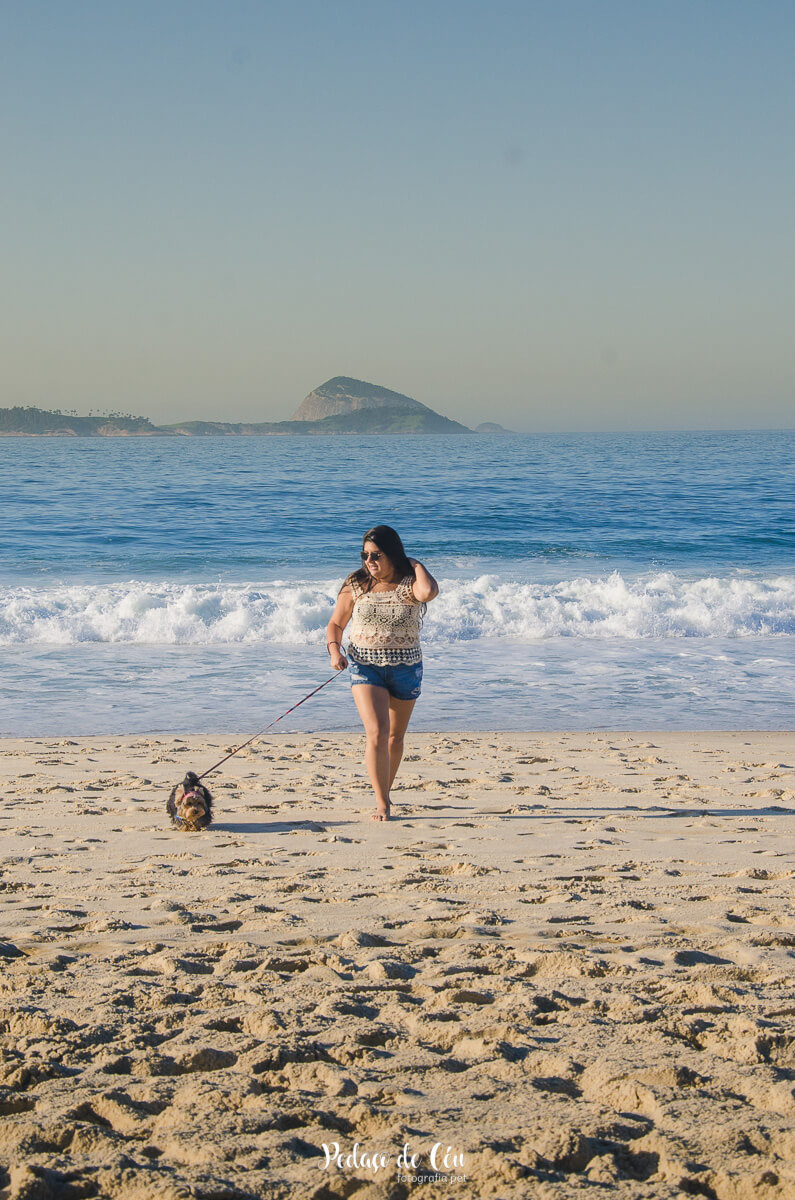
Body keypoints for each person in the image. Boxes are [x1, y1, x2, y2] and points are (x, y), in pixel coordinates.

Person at [326, 526, 439, 820]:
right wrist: (335, 652)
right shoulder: (356, 584)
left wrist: (414, 563)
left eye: (376, 555)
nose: (369, 561)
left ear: (393, 554)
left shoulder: (411, 582)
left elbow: (429, 592)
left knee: (395, 738)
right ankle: (382, 803)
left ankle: (384, 791)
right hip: (365, 666)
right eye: (364, 555)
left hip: (406, 668)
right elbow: (336, 624)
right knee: (377, 732)